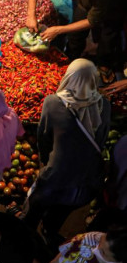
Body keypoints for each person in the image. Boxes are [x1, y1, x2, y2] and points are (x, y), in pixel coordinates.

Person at [24, 59, 111, 248]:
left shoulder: (53, 103)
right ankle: (48, 233)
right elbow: (101, 140)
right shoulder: (104, 105)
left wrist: (47, 164)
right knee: (61, 212)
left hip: (57, 176)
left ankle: (25, 240)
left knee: (35, 209)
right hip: (86, 182)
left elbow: (44, 138)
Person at [26, 0, 127, 82]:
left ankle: (103, 63)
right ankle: (72, 57)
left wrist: (58, 30)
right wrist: (31, 16)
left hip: (114, 5)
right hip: (84, 3)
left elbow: (92, 21)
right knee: (75, 33)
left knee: (109, 35)